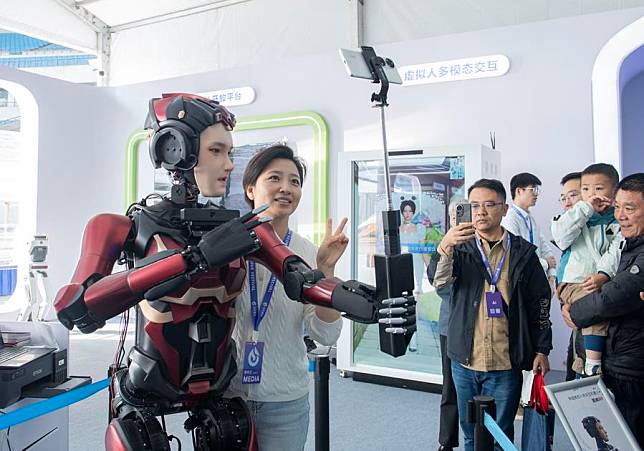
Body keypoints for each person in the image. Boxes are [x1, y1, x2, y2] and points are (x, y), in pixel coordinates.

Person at [54, 94, 414, 450]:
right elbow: (78, 309)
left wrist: (369, 303)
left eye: (229, 152)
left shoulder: (245, 230)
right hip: (149, 389)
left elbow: (301, 281)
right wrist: (194, 259)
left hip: (222, 393)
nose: (229, 164)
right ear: (175, 149)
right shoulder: (122, 226)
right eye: (217, 151)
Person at [226, 144, 349, 450]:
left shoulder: (307, 253)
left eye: (294, 181)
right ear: (250, 189)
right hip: (227, 396)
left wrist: (326, 272)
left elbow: (325, 335)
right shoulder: (226, 249)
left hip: (285, 403)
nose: (286, 188)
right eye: (275, 179)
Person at [427, 178, 552, 450]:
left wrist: (542, 348)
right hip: (464, 362)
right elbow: (437, 282)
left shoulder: (522, 253)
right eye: (474, 206)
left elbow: (540, 302)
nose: (480, 212)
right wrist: (445, 246)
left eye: (488, 205)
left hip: (504, 363)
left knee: (500, 435)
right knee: (471, 434)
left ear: (504, 209)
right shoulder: (460, 248)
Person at [563, 173, 644, 446]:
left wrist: (573, 311)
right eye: (617, 207)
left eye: (630, 208)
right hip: (618, 361)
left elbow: (612, 298)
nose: (620, 215)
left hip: (632, 367)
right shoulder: (624, 243)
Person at [552, 163, 621, 376]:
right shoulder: (574, 217)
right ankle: (592, 365)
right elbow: (561, 238)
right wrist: (585, 208)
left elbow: (614, 252)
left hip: (597, 283)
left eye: (598, 189)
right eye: (585, 189)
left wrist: (603, 274)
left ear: (614, 191)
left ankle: (584, 364)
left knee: (591, 314)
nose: (591, 194)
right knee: (594, 307)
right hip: (573, 282)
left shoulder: (618, 219)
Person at [554, 171, 585, 381]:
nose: (566, 203)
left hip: (591, 315)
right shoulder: (569, 228)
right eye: (563, 198)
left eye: (572, 196)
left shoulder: (605, 230)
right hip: (574, 313)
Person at [435, 200, 460, 451]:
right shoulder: (444, 244)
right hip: (450, 324)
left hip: (482, 325)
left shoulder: (483, 241)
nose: (458, 220)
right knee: (450, 386)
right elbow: (436, 281)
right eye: (454, 215)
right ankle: (447, 441)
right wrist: (447, 247)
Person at [502, 172, 556, 287]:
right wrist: (546, 263)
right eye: (533, 189)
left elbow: (545, 248)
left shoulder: (530, 218)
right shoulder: (510, 219)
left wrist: (552, 276)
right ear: (519, 191)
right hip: (521, 281)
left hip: (537, 278)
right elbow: (517, 256)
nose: (536, 194)